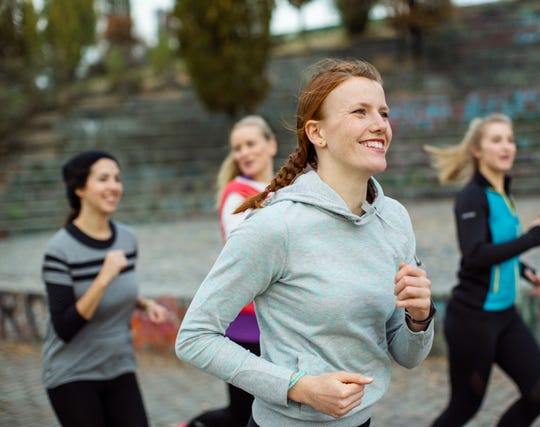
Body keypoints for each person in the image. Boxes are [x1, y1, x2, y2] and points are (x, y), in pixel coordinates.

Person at [175, 58, 436, 427]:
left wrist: (419, 319)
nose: (379, 124)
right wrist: (296, 387)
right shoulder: (274, 226)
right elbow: (194, 338)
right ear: (317, 133)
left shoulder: (394, 219)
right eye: (360, 112)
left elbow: (407, 356)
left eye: (383, 112)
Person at [423, 113, 540, 426]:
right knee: (464, 408)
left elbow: (498, 247)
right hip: (473, 319)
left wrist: (524, 270)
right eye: (496, 140)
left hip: (505, 316)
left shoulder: (504, 193)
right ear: (477, 150)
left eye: (510, 139)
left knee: (539, 393)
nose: (506, 146)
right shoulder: (472, 197)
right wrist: (534, 237)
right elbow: (475, 255)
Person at [41, 150, 169, 427]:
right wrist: (103, 276)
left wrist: (145, 304)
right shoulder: (59, 250)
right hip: (73, 374)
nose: (114, 186)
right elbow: (64, 326)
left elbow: (119, 291)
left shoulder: (127, 238)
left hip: (119, 366)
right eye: (103, 179)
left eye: (117, 178)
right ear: (79, 189)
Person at [184, 115, 277, 427]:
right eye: (238, 147)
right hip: (246, 319)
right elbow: (245, 253)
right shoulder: (236, 193)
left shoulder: (287, 187)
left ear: (271, 145)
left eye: (251, 143)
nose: (244, 152)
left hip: (276, 316)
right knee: (242, 414)